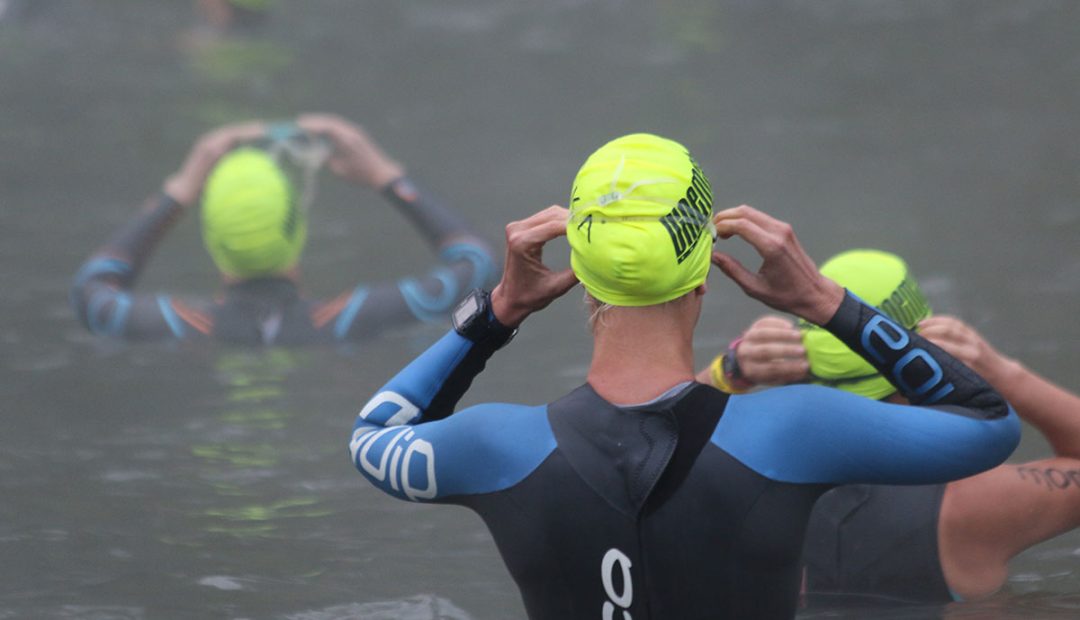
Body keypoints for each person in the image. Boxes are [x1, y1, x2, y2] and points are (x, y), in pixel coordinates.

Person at [347, 134, 1019, 619]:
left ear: (579, 275)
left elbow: (373, 434)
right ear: (703, 274)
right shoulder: (794, 430)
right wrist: (822, 300)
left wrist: (498, 311)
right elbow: (989, 422)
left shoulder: (498, 446)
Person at [700, 248, 1080, 605]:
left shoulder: (734, 493)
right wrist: (1002, 374)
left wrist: (729, 371)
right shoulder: (972, 503)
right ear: (928, 355)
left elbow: (663, 439)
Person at [71, 114, 497, 345]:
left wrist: (178, 193)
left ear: (211, 238)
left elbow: (90, 290)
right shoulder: (352, 319)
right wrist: (386, 176)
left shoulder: (174, 324)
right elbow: (477, 265)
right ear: (298, 230)